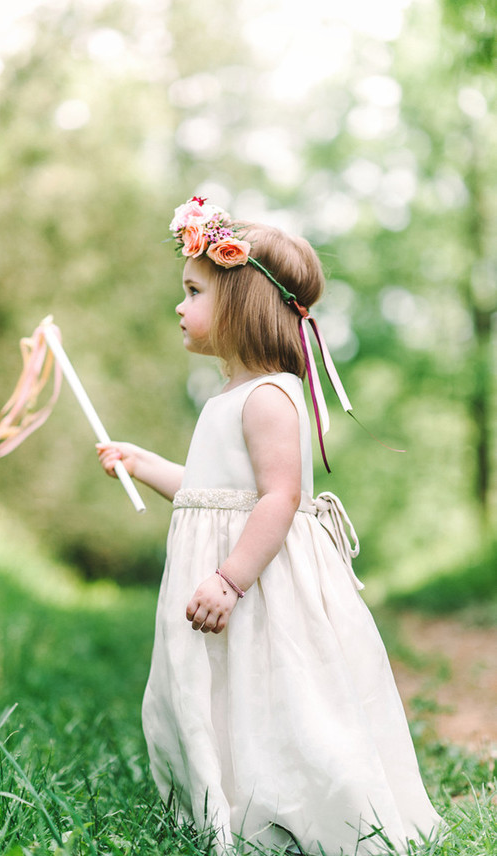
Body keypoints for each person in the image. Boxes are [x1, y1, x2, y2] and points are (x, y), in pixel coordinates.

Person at [97, 197, 442, 855]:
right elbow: (209, 496)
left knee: (287, 696)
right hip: (238, 581)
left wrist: (229, 580)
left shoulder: (267, 398)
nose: (180, 306)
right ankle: (236, 806)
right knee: (230, 696)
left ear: (242, 304)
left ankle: (312, 809)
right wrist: (141, 464)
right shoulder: (228, 398)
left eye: (194, 291)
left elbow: (278, 499)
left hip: (264, 585)